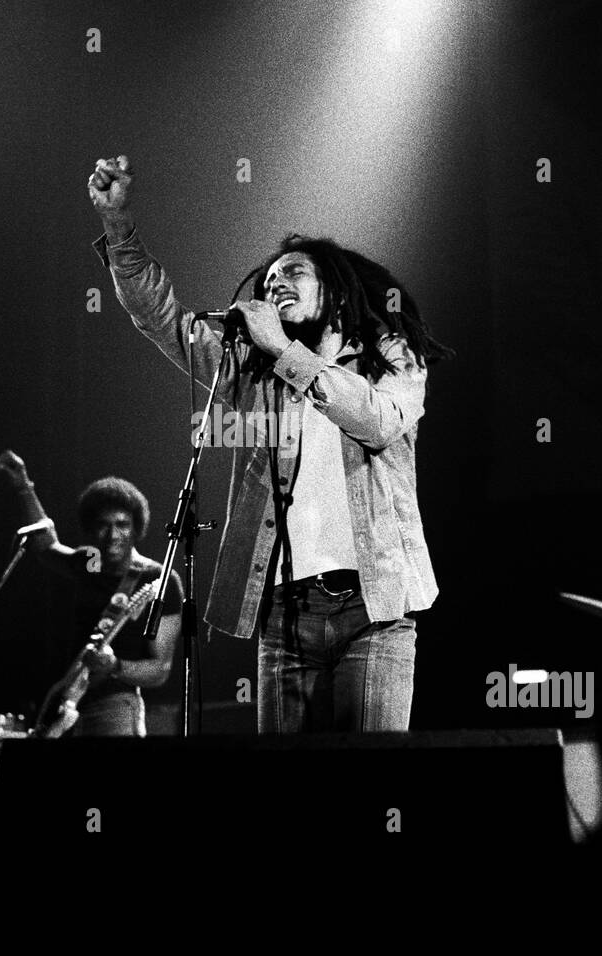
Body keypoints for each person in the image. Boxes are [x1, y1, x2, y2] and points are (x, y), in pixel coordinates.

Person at [85, 155, 454, 733]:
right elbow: (163, 319)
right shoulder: (252, 374)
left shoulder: (389, 356)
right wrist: (117, 226)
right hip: (285, 613)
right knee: (285, 799)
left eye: (293, 274)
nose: (275, 284)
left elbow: (378, 422)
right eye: (269, 281)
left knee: (373, 780)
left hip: (374, 611)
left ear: (332, 288)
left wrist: (286, 352)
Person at [0, 450, 180, 737]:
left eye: (122, 524)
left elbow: (161, 669)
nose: (112, 534)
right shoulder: (89, 563)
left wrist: (115, 666)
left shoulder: (158, 579)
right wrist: (23, 485)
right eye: (103, 525)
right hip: (66, 704)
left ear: (136, 528)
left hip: (116, 706)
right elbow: (45, 545)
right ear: (91, 528)